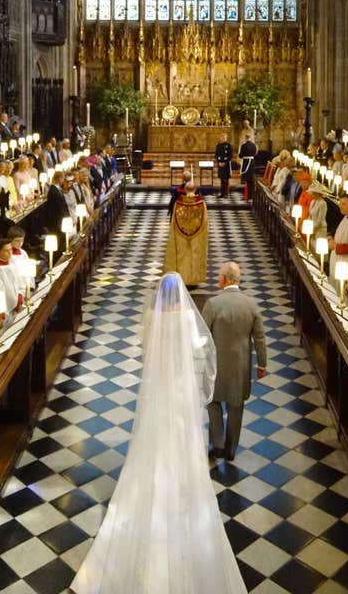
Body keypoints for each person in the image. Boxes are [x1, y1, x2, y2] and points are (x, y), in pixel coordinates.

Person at [72, 272, 247, 594]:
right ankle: (181, 479)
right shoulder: (187, 318)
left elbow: (146, 349)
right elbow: (200, 350)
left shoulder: (152, 316)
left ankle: (154, 479)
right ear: (180, 296)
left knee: (154, 434)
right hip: (180, 388)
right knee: (182, 434)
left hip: (158, 388)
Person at [202, 262, 266, 462]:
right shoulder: (251, 304)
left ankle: (218, 444)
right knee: (236, 407)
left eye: (219, 276)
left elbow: (203, 335)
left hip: (216, 366)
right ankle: (231, 450)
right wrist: (262, 364)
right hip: (241, 367)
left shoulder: (213, 304)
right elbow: (260, 338)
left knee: (213, 403)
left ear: (224, 279)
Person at [163, 183, 209, 287]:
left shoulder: (178, 203)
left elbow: (174, 219)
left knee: (182, 255)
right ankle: (193, 280)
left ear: (185, 189)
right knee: (194, 255)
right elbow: (205, 221)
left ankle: (182, 278)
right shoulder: (201, 203)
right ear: (195, 189)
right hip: (197, 234)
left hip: (181, 233)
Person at [238, 133, 257, 201]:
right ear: (250, 138)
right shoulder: (254, 145)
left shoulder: (243, 145)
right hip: (252, 163)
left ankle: (247, 195)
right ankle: (251, 195)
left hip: (246, 163)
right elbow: (255, 154)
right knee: (251, 180)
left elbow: (240, 155)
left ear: (245, 138)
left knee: (247, 180)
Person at [215, 133, 233, 198]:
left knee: (226, 179)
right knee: (222, 179)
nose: (223, 138)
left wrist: (225, 163)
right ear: (220, 138)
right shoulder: (218, 145)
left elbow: (230, 156)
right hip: (220, 164)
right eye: (222, 137)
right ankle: (222, 193)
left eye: (224, 137)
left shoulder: (229, 145)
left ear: (226, 138)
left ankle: (226, 194)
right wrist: (219, 162)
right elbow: (216, 155)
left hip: (226, 165)